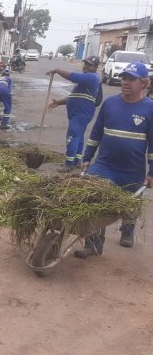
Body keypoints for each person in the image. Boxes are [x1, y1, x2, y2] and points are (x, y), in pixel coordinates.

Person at [74, 62, 153, 257]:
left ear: (144, 83)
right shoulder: (110, 104)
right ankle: (92, 243)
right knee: (92, 200)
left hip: (132, 170)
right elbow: (96, 133)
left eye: (131, 79)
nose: (125, 82)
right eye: (124, 78)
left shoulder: (150, 108)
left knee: (130, 203)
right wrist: (87, 157)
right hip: (104, 166)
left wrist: (151, 171)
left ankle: (127, 231)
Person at [46, 56, 102, 171]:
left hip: (81, 114)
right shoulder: (83, 82)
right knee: (78, 136)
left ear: (95, 67)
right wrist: (58, 102)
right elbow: (74, 96)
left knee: (72, 136)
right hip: (77, 114)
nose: (85, 65)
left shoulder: (92, 77)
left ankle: (69, 163)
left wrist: (57, 70)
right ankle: (76, 161)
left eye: (89, 64)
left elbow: (72, 76)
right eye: (85, 63)